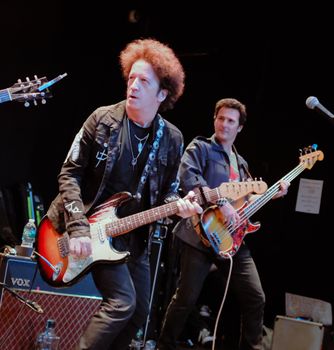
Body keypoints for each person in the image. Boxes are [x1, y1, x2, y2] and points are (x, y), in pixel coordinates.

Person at [46, 38, 203, 350]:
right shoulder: (101, 119)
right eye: (131, 77)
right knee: (121, 303)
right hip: (85, 228)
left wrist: (181, 207)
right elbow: (69, 172)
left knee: (139, 315)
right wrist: (78, 227)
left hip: (132, 239)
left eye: (144, 81)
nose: (133, 85)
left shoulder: (172, 138)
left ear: (162, 94)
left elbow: (170, 194)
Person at [157, 98, 290, 350]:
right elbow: (189, 179)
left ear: (239, 128)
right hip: (198, 235)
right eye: (221, 118)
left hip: (231, 239)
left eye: (231, 121)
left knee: (255, 297)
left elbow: (248, 199)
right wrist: (221, 202)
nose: (224, 124)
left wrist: (272, 193)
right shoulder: (200, 147)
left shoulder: (241, 164)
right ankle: (165, 345)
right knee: (186, 298)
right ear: (214, 119)